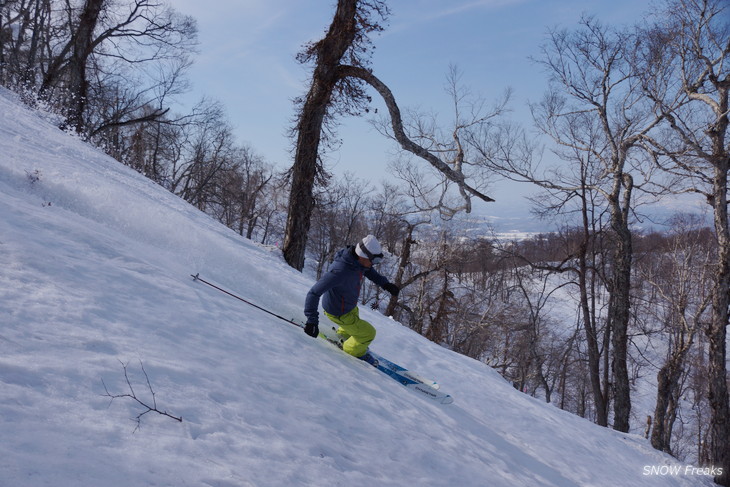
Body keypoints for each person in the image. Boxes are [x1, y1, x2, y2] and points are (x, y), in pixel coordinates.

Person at [303, 235, 399, 362]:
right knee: (368, 333)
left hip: (347, 307)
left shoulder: (356, 262)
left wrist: (385, 284)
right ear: (363, 256)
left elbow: (369, 271)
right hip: (338, 312)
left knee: (355, 315)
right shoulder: (340, 271)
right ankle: (352, 351)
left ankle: (343, 335)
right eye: (374, 261)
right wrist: (312, 321)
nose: (373, 264)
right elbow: (313, 293)